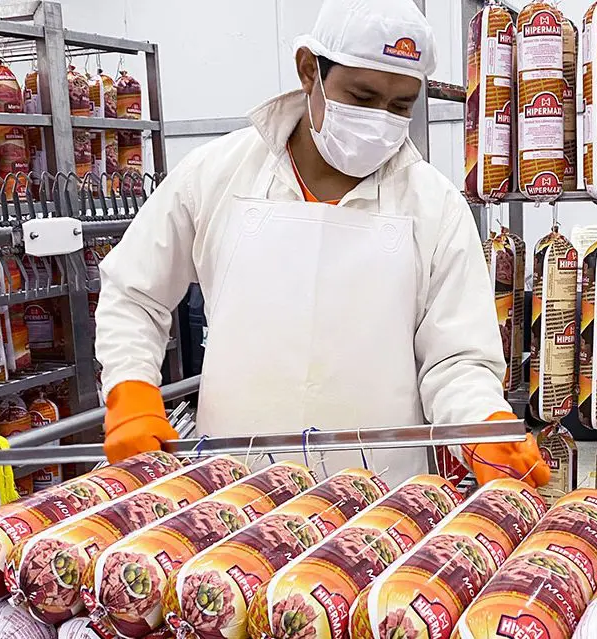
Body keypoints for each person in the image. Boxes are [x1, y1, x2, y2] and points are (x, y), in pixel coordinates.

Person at [95, 0, 549, 489]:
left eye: (400, 106)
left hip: (382, 501)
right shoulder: (217, 174)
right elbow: (134, 291)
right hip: (232, 492)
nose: (380, 119)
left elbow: (457, 360)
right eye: (362, 96)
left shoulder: (434, 205)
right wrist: (130, 387)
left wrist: (482, 425)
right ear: (309, 70)